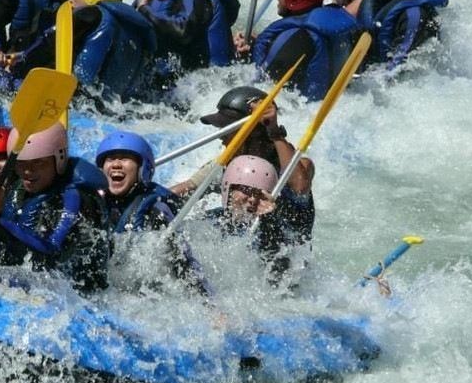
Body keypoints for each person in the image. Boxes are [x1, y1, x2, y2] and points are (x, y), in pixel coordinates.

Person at [0, 123, 110, 292]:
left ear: (59, 160)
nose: (27, 171)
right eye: (21, 162)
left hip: (76, 296)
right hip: (31, 282)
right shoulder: (18, 189)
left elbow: (48, 257)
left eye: (38, 163)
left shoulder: (74, 199)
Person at [170, 86, 315, 230]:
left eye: (228, 132)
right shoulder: (225, 165)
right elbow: (181, 192)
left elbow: (300, 187)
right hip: (240, 236)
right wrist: (153, 201)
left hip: (282, 241)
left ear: (254, 135)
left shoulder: (298, 165)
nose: (221, 138)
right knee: (184, 228)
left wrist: (274, 131)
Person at [10, 0, 156, 101]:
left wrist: (17, 66)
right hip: (108, 110)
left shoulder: (92, 14)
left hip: (76, 99)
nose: (70, 0)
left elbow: (50, 43)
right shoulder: (137, 31)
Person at [95, 130, 213, 296]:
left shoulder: (155, 211)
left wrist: (208, 304)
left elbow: (184, 262)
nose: (116, 164)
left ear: (142, 169)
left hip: (146, 291)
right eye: (110, 159)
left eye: (124, 158)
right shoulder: (93, 203)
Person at [236, 0, 360, 101]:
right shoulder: (329, 28)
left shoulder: (297, 38)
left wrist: (240, 60)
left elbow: (260, 92)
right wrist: (254, 48)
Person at [206, 155, 313, 282]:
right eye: (246, 190)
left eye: (260, 194)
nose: (253, 199)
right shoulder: (212, 219)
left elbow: (279, 279)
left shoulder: (276, 227)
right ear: (228, 189)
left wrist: (268, 225)